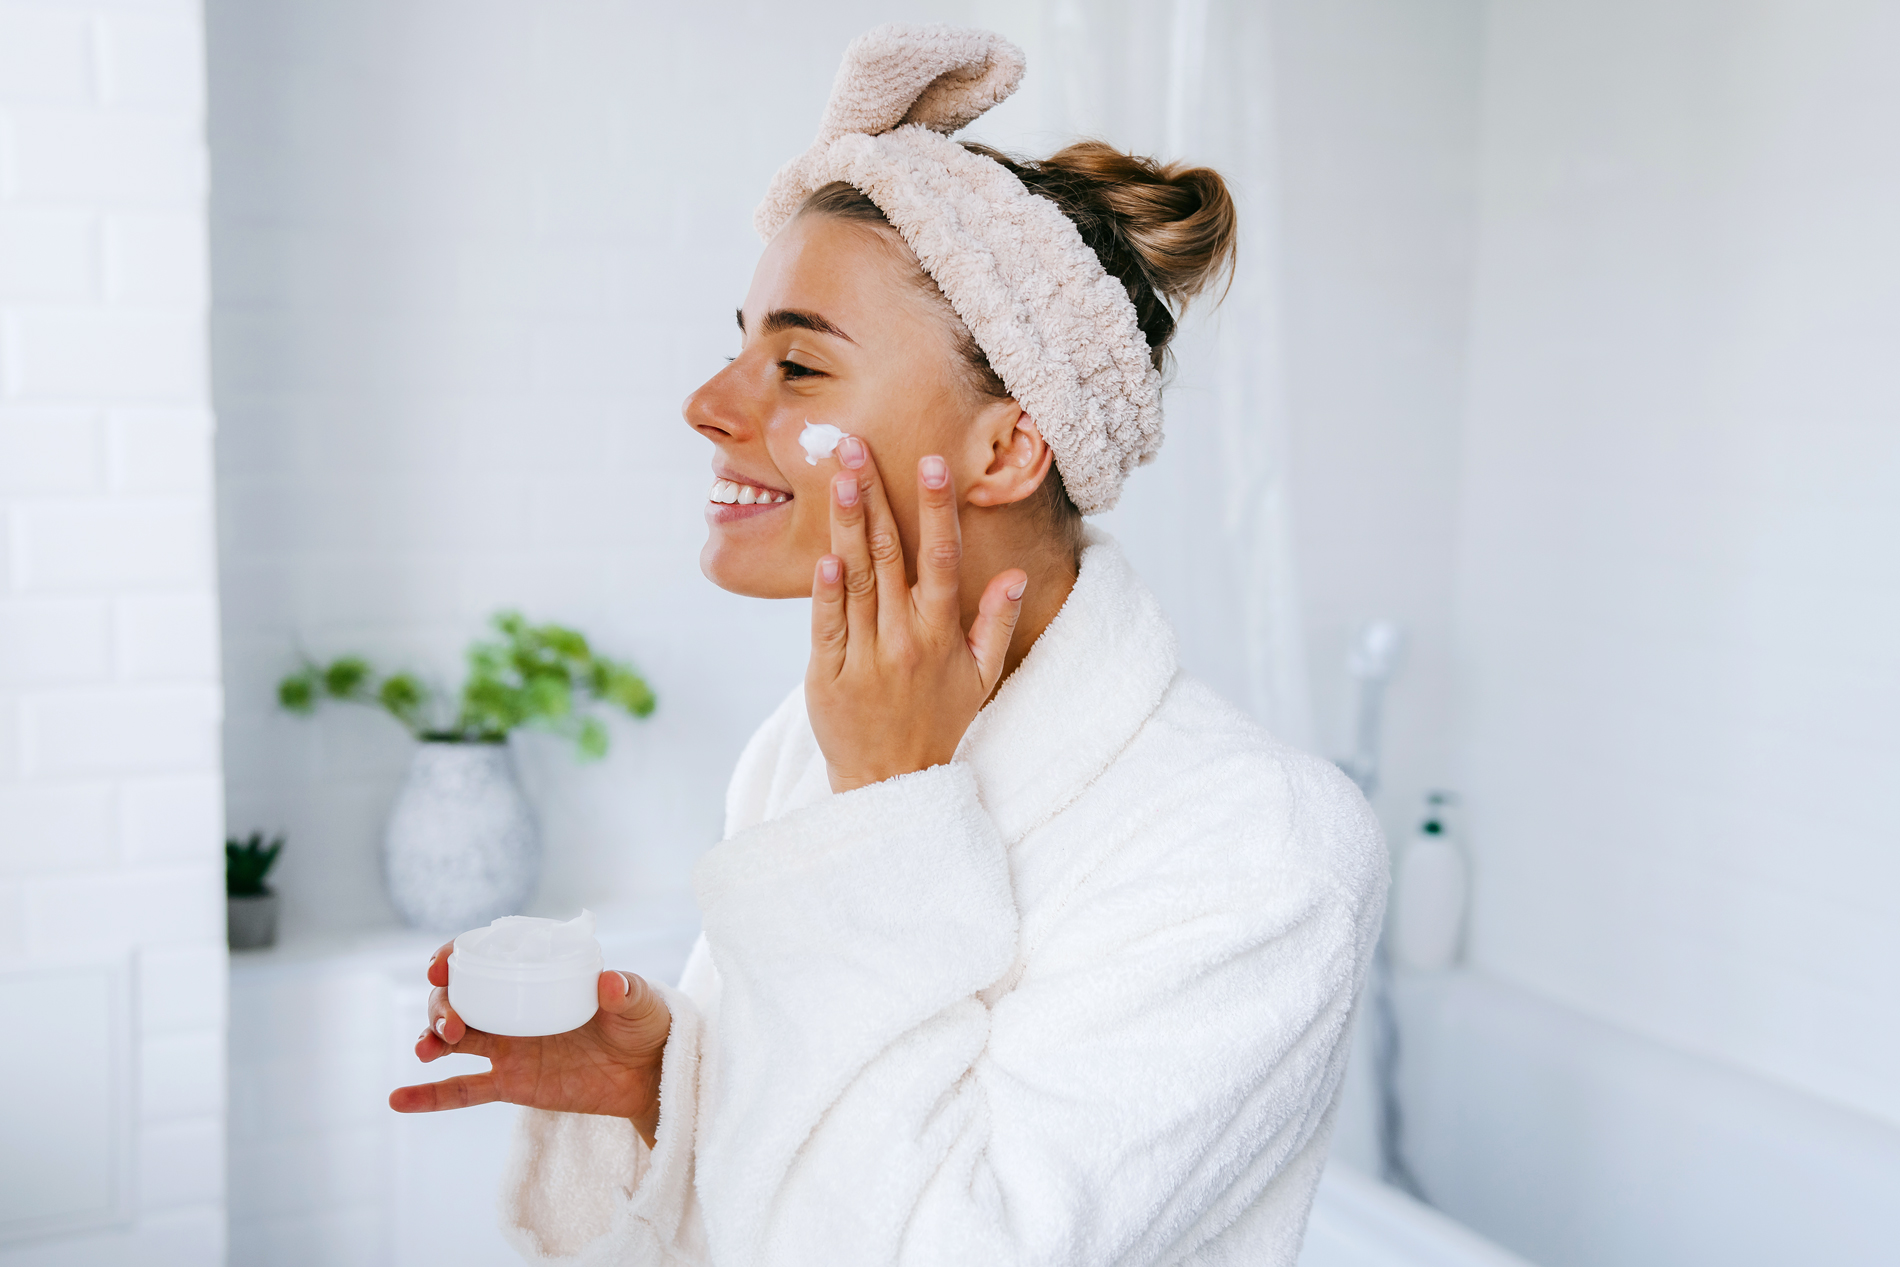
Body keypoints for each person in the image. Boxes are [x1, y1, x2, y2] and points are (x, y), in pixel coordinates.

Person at [391, 25, 1385, 1266]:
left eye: (798, 362)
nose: (709, 403)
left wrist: (891, 805)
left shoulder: (1254, 847)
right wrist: (665, 1092)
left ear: (1008, 450)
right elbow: (796, 1175)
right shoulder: (808, 744)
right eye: (741, 340)